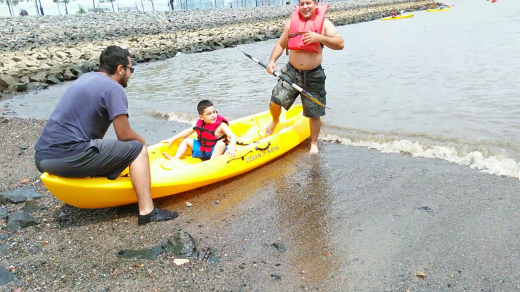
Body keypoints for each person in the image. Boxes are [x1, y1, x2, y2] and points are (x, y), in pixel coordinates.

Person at [34, 46, 178, 226]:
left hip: (42, 157)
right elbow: (124, 134)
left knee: (108, 146)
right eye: (130, 69)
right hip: (66, 156)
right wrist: (142, 141)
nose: (131, 74)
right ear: (120, 69)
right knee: (137, 148)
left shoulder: (85, 78)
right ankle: (147, 211)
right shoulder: (113, 89)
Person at [264, 0, 344, 154]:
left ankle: (314, 143)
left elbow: (340, 44)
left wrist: (319, 38)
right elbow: (281, 44)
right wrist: (272, 61)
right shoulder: (291, 23)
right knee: (275, 99)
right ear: (298, 6)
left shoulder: (324, 24)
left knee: (314, 113)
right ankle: (275, 120)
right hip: (291, 72)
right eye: (302, 3)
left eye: (309, 3)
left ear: (316, 4)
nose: (305, 6)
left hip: (313, 75)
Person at [163, 100, 236, 161]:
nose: (213, 115)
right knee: (186, 140)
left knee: (220, 144)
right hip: (203, 150)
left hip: (216, 151)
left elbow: (233, 137)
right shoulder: (200, 124)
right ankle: (175, 159)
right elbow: (187, 132)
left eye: (214, 112)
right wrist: (172, 139)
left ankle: (211, 163)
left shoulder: (221, 125)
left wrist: (231, 148)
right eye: (209, 114)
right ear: (201, 117)